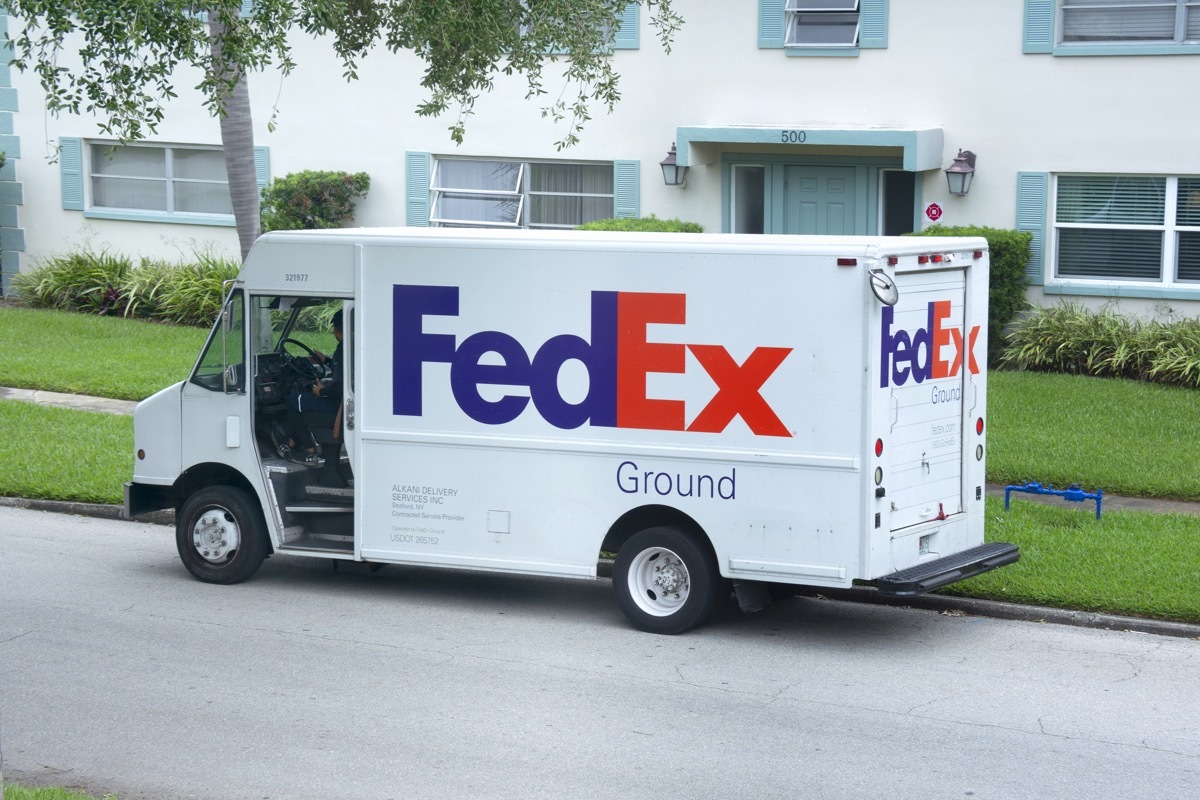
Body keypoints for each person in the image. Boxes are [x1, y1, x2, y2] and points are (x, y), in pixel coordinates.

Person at [282, 309, 343, 464]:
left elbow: (339, 387)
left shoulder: (342, 350)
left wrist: (321, 391)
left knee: (293, 400)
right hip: (343, 405)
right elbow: (346, 371)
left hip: (337, 407)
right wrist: (326, 361)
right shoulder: (355, 347)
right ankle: (292, 441)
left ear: (336, 330)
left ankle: (308, 449)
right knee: (303, 399)